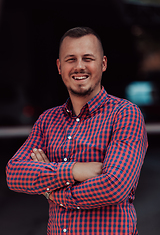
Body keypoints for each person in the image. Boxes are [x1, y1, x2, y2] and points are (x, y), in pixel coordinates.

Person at [6, 27, 148, 235]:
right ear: (59, 66)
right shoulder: (47, 120)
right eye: (71, 59)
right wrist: (74, 171)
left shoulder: (125, 114)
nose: (79, 66)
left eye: (87, 58)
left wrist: (52, 193)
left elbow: (114, 186)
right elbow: (14, 173)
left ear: (103, 63)